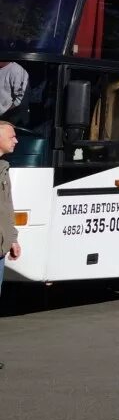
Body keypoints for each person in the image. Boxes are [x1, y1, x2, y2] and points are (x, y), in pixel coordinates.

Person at [0, 121, 21, 299]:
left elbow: (6, 207)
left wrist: (12, 238)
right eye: (11, 136)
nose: (16, 141)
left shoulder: (3, 168)